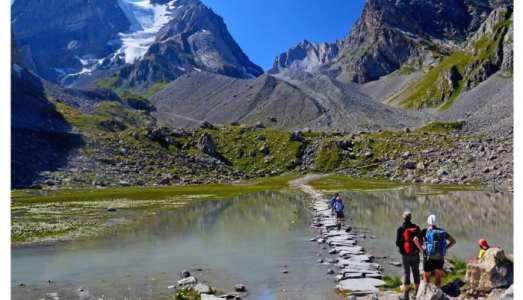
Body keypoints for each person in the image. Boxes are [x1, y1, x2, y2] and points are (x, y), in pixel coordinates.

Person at [413, 215, 456, 288]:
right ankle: (437, 294)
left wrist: (421, 249)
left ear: (428, 222)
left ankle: (427, 295)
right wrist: (445, 249)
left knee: (426, 277)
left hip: (428, 257)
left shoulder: (425, 231)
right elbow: (453, 241)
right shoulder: (442, 231)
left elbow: (415, 239)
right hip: (440, 258)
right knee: (438, 278)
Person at [396, 211, 421, 300]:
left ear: (403, 218)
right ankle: (416, 293)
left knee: (406, 273)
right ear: (410, 218)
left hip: (405, 254)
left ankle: (405, 295)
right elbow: (420, 240)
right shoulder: (416, 227)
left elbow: (398, 243)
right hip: (415, 253)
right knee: (416, 272)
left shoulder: (400, 229)